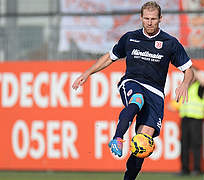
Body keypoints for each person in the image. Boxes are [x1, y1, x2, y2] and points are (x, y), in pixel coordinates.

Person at [72, 1, 194, 180]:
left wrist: (185, 83)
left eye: (153, 19)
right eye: (146, 18)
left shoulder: (170, 43)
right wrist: (88, 72)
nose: (150, 22)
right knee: (138, 99)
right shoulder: (130, 38)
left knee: (142, 145)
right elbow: (109, 57)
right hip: (132, 82)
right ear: (141, 18)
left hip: (156, 95)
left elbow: (188, 70)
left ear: (160, 19)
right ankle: (118, 138)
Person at [171, 66, 204, 176]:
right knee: (184, 144)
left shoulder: (198, 87)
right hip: (185, 118)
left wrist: (191, 71)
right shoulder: (186, 88)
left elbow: (203, 81)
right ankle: (185, 169)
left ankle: (197, 169)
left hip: (196, 118)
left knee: (196, 144)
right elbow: (179, 103)